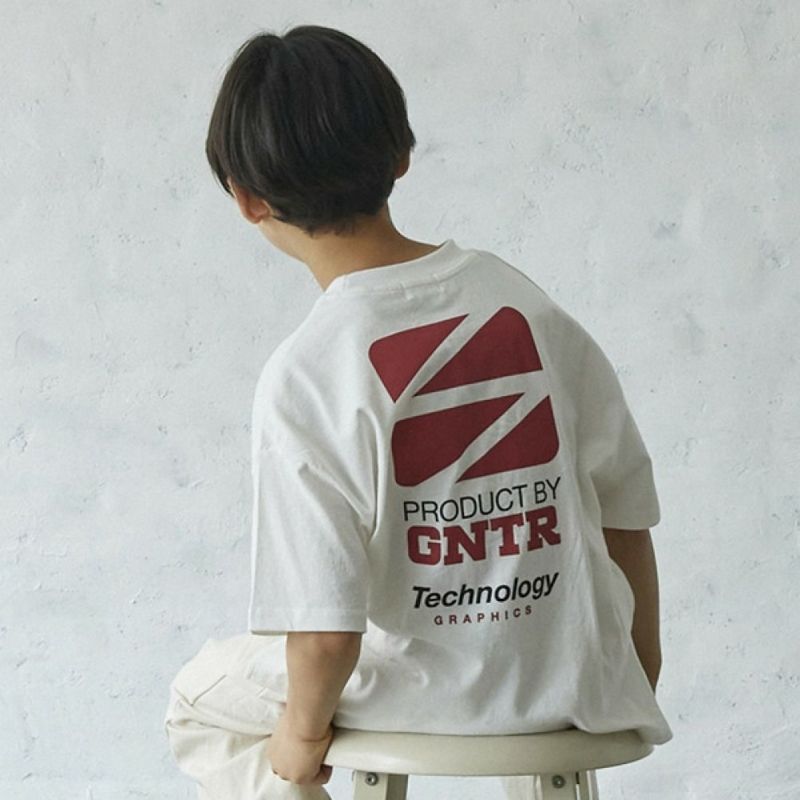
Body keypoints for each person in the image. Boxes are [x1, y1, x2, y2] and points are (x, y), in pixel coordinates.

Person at [163, 24, 672, 800]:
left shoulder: (308, 374)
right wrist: (637, 666)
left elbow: (326, 632)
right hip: (577, 678)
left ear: (247, 199)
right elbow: (627, 508)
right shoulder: (521, 303)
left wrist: (300, 738)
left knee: (200, 699)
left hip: (428, 694)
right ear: (401, 153)